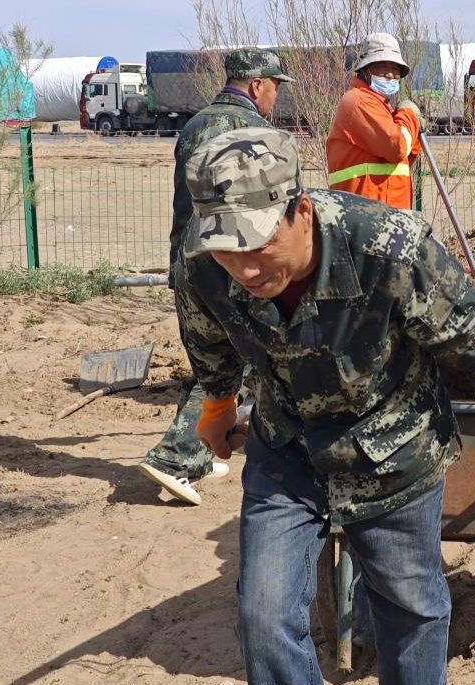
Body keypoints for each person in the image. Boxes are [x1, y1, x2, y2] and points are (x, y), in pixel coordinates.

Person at [176, 126, 475, 685]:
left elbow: (472, 328)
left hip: (394, 444)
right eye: (226, 251)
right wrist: (219, 403)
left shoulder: (388, 247)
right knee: (262, 613)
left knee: (409, 599)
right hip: (287, 450)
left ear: (298, 210)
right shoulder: (205, 266)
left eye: (257, 247)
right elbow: (207, 337)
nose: (245, 270)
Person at [138, 48, 295, 504]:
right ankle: (176, 456)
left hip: (188, 259)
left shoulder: (195, 124)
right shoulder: (255, 131)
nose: (276, 97)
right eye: (276, 87)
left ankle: (203, 450)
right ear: (258, 84)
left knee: (212, 358)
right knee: (241, 361)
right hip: (232, 262)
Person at [326, 32, 421, 210]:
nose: (390, 74)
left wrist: (412, 125)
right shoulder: (360, 101)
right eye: (381, 66)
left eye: (395, 68)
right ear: (365, 70)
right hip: (366, 218)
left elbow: (405, 156)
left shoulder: (382, 107)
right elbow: (397, 147)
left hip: (385, 215)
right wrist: (408, 115)